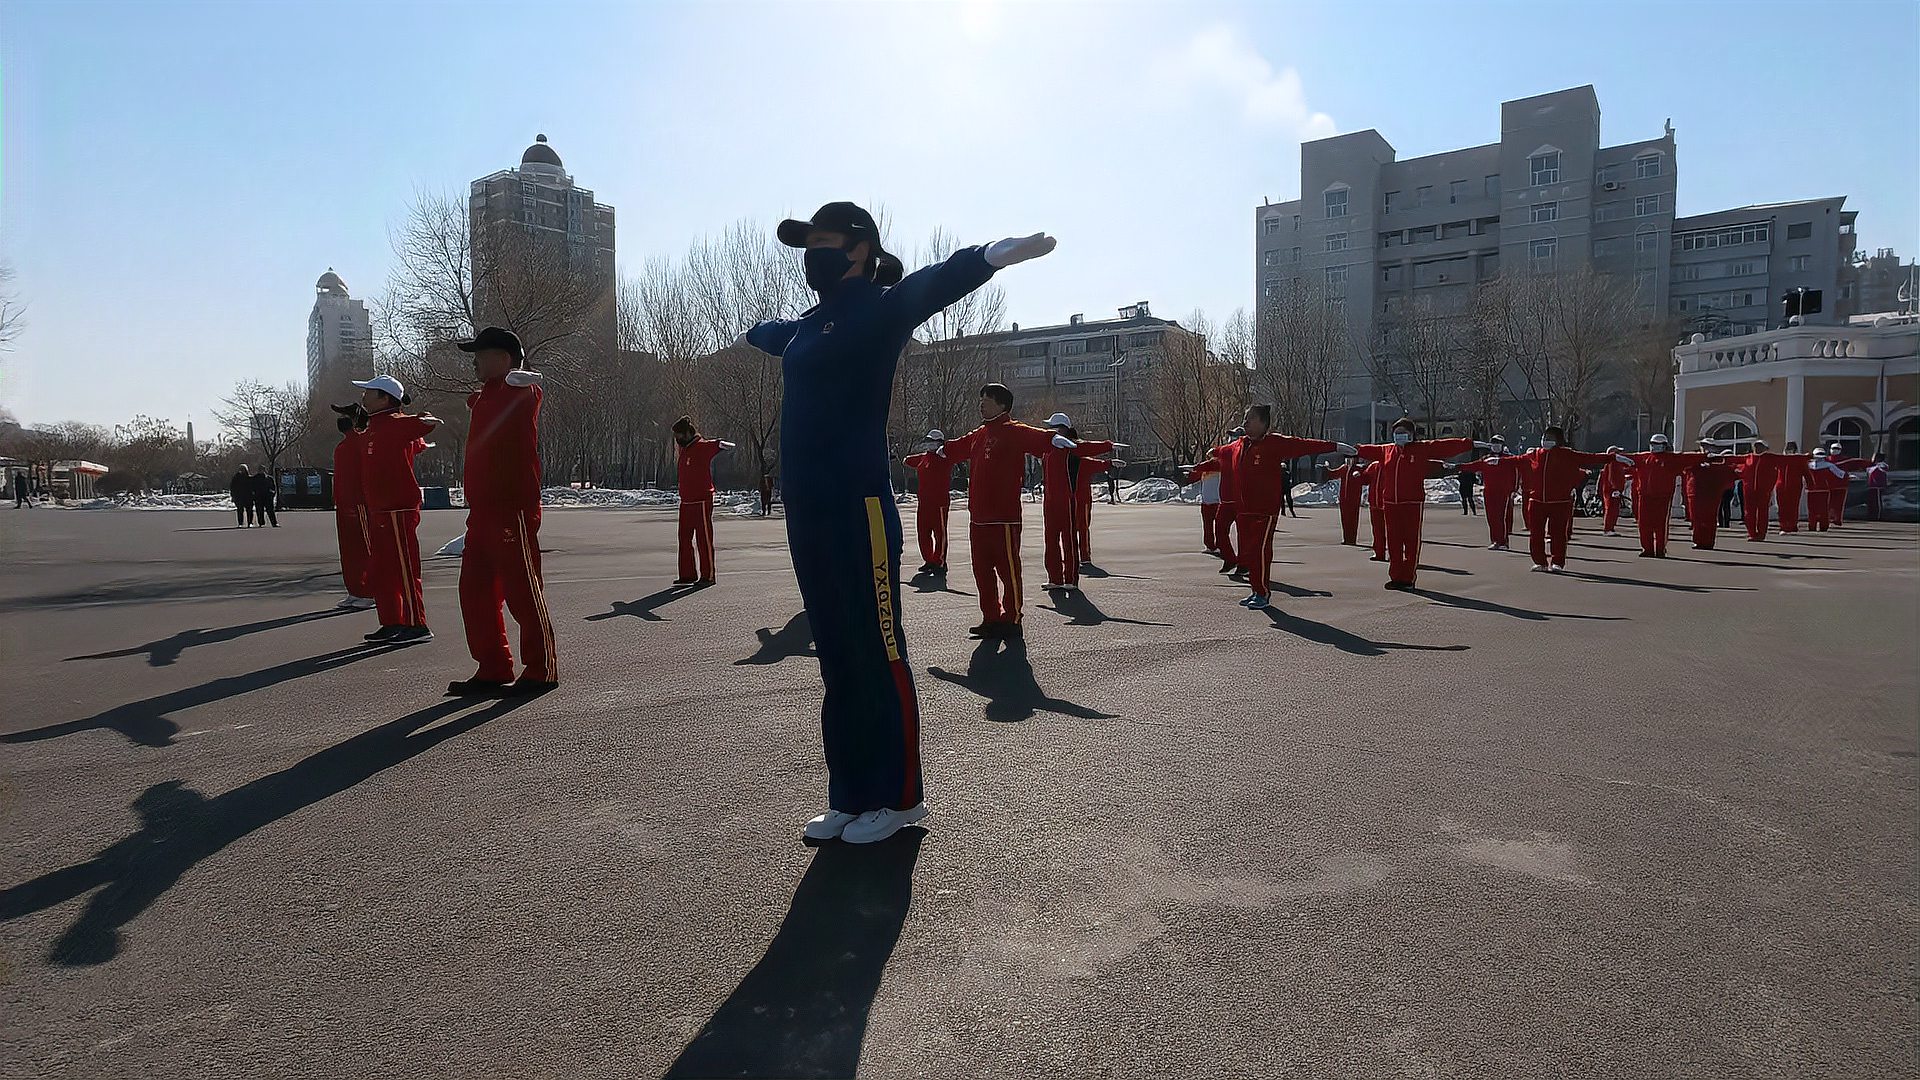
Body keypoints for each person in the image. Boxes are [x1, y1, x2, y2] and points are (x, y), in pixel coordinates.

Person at [744, 200, 1055, 844]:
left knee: (877, 651)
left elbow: (933, 284)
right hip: (809, 511)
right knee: (836, 655)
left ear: (858, 248)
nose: (812, 254)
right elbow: (770, 332)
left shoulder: (879, 314)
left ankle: (899, 797)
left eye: (823, 241)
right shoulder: (806, 327)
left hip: (859, 507)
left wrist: (994, 254)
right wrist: (753, 330)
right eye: (807, 244)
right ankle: (851, 794)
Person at [447, 326, 558, 698]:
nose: (474, 361)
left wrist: (518, 379)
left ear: (504, 358)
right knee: (474, 592)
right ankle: (493, 666)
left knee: (522, 591)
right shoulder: (487, 397)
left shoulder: (521, 390)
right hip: (482, 512)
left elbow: (531, 391)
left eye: (481, 354)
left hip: (512, 509)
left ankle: (541, 669)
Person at [943, 385, 1078, 634]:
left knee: (1008, 570)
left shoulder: (1013, 431)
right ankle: (990, 617)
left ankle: (1012, 617)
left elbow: (1036, 437)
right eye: (981, 398)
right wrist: (942, 448)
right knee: (982, 572)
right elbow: (956, 447)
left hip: (1003, 518)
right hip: (979, 519)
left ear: (1002, 405)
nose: (981, 403)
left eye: (987, 399)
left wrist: (1053, 438)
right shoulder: (980, 434)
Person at [1230, 404, 1347, 607]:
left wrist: (1334, 446)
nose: (1245, 423)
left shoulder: (1274, 443)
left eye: (1250, 419)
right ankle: (1256, 590)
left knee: (1260, 551)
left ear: (1263, 423)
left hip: (1264, 510)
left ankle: (1262, 594)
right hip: (1244, 509)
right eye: (1245, 418)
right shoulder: (1241, 445)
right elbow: (1222, 457)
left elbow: (1305, 445)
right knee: (1250, 553)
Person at [354, 374, 439, 644]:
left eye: (369, 392)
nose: (363, 397)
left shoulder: (395, 423)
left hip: (398, 508)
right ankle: (392, 621)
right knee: (384, 570)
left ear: (385, 398)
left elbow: (425, 424)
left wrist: (423, 418)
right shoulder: (375, 426)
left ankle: (417, 624)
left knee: (404, 568)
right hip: (379, 509)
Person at [1355, 418, 1482, 589]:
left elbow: (1444, 446)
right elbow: (1366, 450)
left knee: (1411, 541)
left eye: (1404, 433)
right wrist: (1353, 449)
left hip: (1412, 502)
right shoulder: (1387, 450)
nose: (1400, 436)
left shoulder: (1421, 449)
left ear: (1412, 435)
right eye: (1397, 433)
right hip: (1391, 503)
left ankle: (1408, 578)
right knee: (1394, 542)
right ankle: (1396, 577)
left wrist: (1469, 444)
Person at [1518, 427, 1617, 572]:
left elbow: (1590, 458)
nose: (1545, 440)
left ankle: (1557, 562)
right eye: (1544, 437)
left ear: (1558, 440)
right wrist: (1498, 460)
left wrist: (1612, 457)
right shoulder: (1535, 454)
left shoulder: (1567, 454)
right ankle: (1540, 562)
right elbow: (1515, 460)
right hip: (1537, 501)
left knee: (1558, 534)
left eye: (1549, 438)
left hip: (1560, 502)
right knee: (1536, 534)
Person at [1039, 415, 1116, 594]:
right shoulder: (1045, 447)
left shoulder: (1070, 447)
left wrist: (1108, 446)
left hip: (1067, 499)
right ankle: (1054, 578)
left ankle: (1070, 579)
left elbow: (1087, 447)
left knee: (1068, 539)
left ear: (1063, 428)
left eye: (1054, 426)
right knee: (1050, 540)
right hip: (1049, 501)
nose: (1049, 429)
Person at [1618, 434, 1707, 557]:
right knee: (1644, 524)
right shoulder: (1644, 457)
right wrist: (1615, 456)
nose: (1654, 446)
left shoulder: (1671, 459)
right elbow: (1627, 458)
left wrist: (1705, 456)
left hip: (1663, 496)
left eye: (1657, 444)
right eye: (1652, 443)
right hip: (1645, 496)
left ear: (1664, 446)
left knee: (1661, 525)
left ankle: (1660, 550)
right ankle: (1647, 549)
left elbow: (1687, 458)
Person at [671, 416, 732, 586]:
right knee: (684, 539)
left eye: (679, 436)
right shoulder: (683, 449)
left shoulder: (702, 446)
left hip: (701, 501)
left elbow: (720, 444)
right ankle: (687, 574)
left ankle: (708, 575)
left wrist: (723, 445)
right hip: (686, 502)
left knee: (703, 539)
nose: (677, 440)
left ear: (688, 433)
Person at [330, 405, 376, 611]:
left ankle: (369, 591)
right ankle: (355, 590)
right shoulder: (343, 446)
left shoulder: (361, 442)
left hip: (359, 504)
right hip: (344, 504)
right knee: (348, 551)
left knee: (363, 549)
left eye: (346, 417)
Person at [1451, 438, 1524, 550]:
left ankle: (1503, 542)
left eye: (1498, 444)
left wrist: (1513, 489)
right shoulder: (1486, 459)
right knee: (1491, 517)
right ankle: (1495, 540)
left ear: (1502, 445)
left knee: (1500, 517)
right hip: (1489, 491)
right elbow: (1473, 466)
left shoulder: (1508, 459)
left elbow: (1516, 472)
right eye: (1494, 444)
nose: (1495, 446)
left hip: (1502, 491)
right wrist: (1457, 466)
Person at [901, 430, 954, 574]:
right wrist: (902, 458)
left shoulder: (946, 458)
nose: (930, 444)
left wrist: (945, 450)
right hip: (924, 503)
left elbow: (957, 452)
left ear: (940, 442)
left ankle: (940, 561)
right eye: (929, 441)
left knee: (939, 534)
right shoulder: (924, 458)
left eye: (933, 441)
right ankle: (929, 560)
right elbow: (908, 460)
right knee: (923, 533)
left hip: (939, 503)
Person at [1687, 454, 1740, 550]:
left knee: (1702, 520)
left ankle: (1701, 541)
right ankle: (1706, 542)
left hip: (1704, 496)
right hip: (1706, 496)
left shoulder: (1702, 468)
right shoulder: (1720, 469)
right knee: (1705, 520)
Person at [1076, 452, 1117, 566]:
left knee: (1072, 529)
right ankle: (1084, 556)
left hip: (1074, 497)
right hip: (1082, 498)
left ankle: (1076, 556)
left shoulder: (1068, 459)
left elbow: (1100, 464)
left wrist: (1110, 463)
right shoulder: (1083, 461)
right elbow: (1100, 464)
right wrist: (1110, 463)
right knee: (1082, 527)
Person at [1827, 442, 1876, 527]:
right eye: (1833, 448)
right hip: (1835, 485)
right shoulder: (1831, 460)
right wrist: (1871, 462)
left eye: (1836, 449)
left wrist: (1871, 463)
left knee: (1834, 503)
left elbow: (1858, 462)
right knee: (1834, 503)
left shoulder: (1828, 460)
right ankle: (1833, 519)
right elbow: (1859, 462)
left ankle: (1833, 519)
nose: (1834, 450)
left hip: (1835, 485)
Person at [1184, 455, 1225, 554]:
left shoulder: (1219, 465)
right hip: (1206, 502)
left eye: (1210, 456)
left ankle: (1221, 546)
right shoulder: (1205, 470)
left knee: (1219, 527)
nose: (1209, 458)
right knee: (1208, 526)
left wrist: (1195, 468)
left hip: (1217, 502)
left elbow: (1212, 464)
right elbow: (1194, 477)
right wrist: (1190, 473)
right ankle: (1210, 546)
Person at [1323, 456, 1363, 546]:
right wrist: (1327, 468)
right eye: (1347, 458)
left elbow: (1364, 479)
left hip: (1354, 499)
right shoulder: (1344, 468)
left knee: (1353, 519)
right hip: (1344, 499)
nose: (1348, 460)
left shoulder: (1358, 469)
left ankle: (1352, 539)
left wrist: (1360, 475)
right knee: (1345, 519)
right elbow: (1333, 474)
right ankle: (1346, 538)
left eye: (1351, 458)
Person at [1772, 442, 1810, 533]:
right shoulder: (1780, 459)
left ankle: (1792, 525)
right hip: (1781, 485)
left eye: (1791, 449)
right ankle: (1784, 526)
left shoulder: (1799, 460)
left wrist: (1811, 484)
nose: (1789, 451)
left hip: (1795, 486)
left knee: (1793, 506)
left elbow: (1806, 473)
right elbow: (1772, 473)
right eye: (1788, 449)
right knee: (1782, 507)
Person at [1598, 453, 1631, 537]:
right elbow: (1612, 477)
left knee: (1614, 509)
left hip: (1614, 490)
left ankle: (1610, 528)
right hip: (1612, 491)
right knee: (1611, 509)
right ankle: (1608, 529)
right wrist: (1615, 488)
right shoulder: (1612, 463)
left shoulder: (1615, 463)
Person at [1360, 459, 1386, 561]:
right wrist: (1360, 474)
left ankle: (1395, 555)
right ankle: (1379, 553)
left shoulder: (1391, 464)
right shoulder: (1374, 466)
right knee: (1377, 530)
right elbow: (1365, 480)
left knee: (1392, 531)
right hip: (1374, 502)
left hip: (1388, 502)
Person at [1866, 452, 1890, 520]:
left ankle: (1878, 516)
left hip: (1878, 486)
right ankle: (1871, 515)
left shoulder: (1882, 465)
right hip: (1871, 486)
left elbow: (1884, 468)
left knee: (1877, 502)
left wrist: (1877, 464)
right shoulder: (1871, 466)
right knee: (1872, 502)